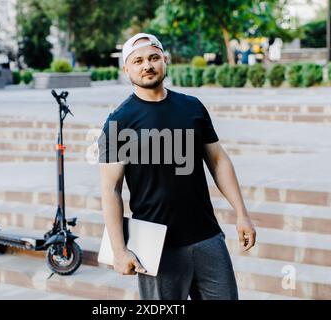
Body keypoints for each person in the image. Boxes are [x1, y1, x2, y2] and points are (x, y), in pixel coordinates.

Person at [98, 33, 256, 300]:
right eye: (137, 61)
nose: (147, 65)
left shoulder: (191, 107)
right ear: (127, 68)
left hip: (206, 235)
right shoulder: (119, 122)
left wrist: (241, 213)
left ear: (165, 60)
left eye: (153, 57)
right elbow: (110, 189)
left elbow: (218, 161)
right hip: (156, 244)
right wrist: (119, 249)